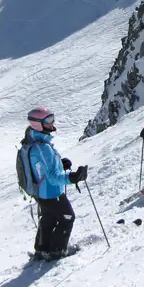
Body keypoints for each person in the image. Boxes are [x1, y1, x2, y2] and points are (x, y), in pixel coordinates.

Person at [22, 106, 89, 261]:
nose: (52, 123)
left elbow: (42, 168)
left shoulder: (36, 141)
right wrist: (72, 177)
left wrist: (59, 163)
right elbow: (52, 177)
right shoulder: (42, 147)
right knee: (67, 218)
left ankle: (42, 249)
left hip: (42, 193)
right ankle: (56, 251)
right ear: (38, 124)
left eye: (52, 118)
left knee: (49, 218)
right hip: (51, 193)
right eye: (48, 120)